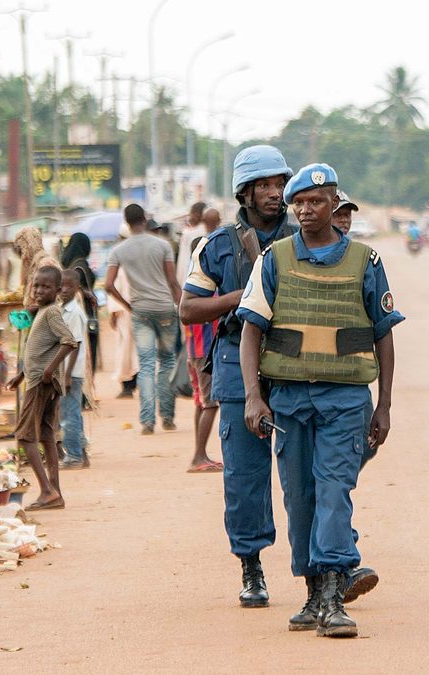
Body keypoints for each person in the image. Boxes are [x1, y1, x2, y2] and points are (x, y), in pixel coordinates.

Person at [237, 163, 404, 638]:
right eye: (299, 203)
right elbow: (252, 331)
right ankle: (312, 592)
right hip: (288, 401)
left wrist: (384, 405)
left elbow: (384, 336)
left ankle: (333, 598)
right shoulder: (275, 258)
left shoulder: (366, 261)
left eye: (316, 201)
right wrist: (254, 397)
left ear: (334, 203)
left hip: (346, 399)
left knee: (334, 490)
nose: (306, 210)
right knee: (299, 497)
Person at [178, 145, 297, 608]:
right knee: (245, 475)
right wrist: (240, 299)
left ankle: (326, 564)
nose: (275, 194)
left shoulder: (304, 237)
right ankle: (251, 566)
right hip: (233, 364)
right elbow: (188, 309)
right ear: (244, 192)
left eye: (280, 184)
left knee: (307, 470)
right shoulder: (218, 246)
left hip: (295, 363)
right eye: (264, 186)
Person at [105, 204, 182, 435]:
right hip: (166, 310)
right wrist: (181, 306)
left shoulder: (119, 250)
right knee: (167, 362)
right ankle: (167, 417)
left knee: (146, 365)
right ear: (145, 218)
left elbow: (108, 285)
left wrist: (128, 305)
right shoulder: (162, 245)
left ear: (126, 222)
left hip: (140, 312)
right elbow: (172, 281)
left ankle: (147, 421)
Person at [6, 266, 77, 510]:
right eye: (35, 285)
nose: (38, 290)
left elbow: (69, 342)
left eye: (45, 287)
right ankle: (55, 492)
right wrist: (20, 374)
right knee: (46, 435)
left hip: (41, 382)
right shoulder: (43, 312)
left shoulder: (51, 314)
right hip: (38, 379)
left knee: (25, 436)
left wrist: (49, 370)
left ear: (57, 290)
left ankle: (47, 490)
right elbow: (38, 346)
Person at [184, 233, 222, 475]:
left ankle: (200, 453)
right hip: (205, 352)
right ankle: (199, 455)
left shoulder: (190, 283)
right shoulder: (207, 289)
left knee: (201, 401)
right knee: (211, 402)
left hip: (194, 351)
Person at [58, 269, 89, 469]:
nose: (65, 290)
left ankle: (74, 456)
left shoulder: (74, 313)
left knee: (68, 416)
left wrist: (67, 375)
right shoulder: (63, 309)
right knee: (72, 413)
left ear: (77, 288)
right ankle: (82, 452)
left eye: (70, 286)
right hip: (66, 371)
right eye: (62, 286)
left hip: (72, 372)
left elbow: (74, 344)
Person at [60, 233, 99, 373]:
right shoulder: (81, 267)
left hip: (74, 313)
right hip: (86, 313)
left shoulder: (72, 266)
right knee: (87, 350)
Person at [108, 231, 139, 399]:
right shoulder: (122, 258)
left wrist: (114, 311)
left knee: (130, 349)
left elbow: (110, 285)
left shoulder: (120, 258)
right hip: (126, 312)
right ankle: (129, 384)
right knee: (128, 349)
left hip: (128, 311)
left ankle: (130, 385)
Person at [13, 226, 60, 308]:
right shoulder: (34, 265)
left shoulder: (45, 264)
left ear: (26, 246)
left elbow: (57, 299)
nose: (18, 252)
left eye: (19, 247)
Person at [177, 202, 208, 285]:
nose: (189, 218)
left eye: (190, 214)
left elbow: (184, 260)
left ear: (197, 215)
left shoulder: (189, 234)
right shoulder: (211, 232)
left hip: (189, 279)